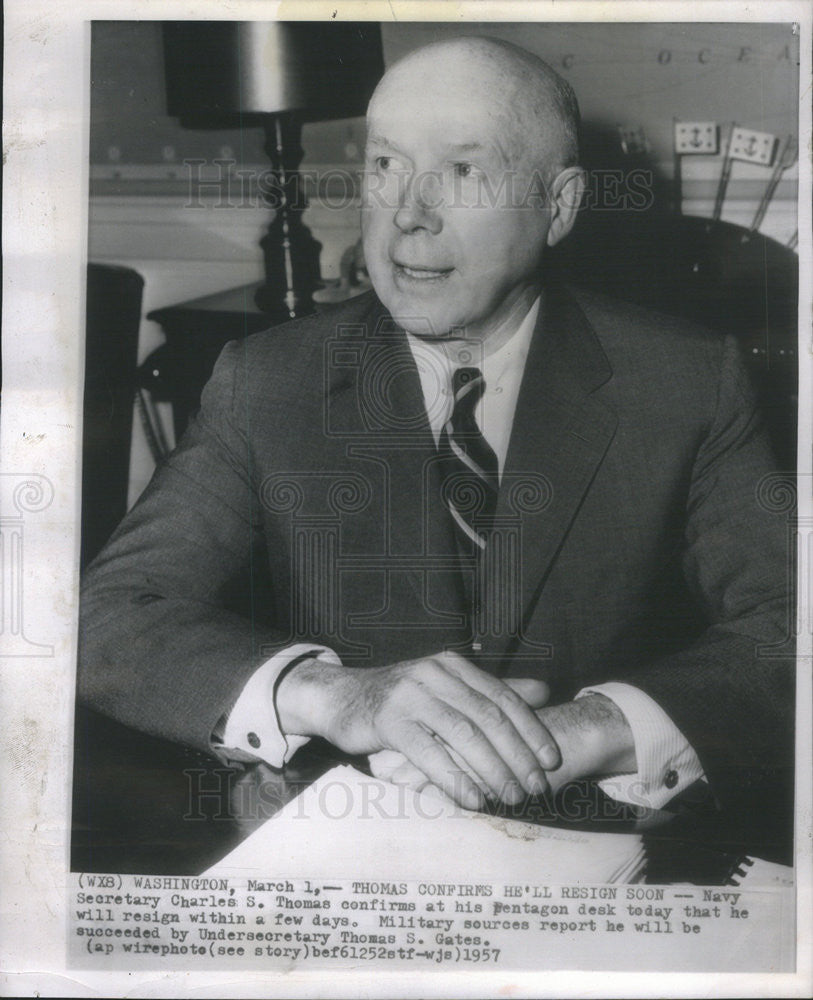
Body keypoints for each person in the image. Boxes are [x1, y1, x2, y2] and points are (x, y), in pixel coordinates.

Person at [79, 37, 793, 824]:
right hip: (355, 846)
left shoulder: (686, 380)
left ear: (557, 207)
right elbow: (110, 616)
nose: (408, 217)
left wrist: (592, 730)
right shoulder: (270, 380)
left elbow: (787, 625)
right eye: (384, 166)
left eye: (462, 172)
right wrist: (335, 694)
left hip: (610, 842)